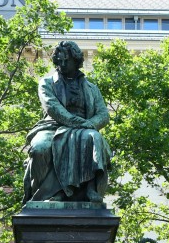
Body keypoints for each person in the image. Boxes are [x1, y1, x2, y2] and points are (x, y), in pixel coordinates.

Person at [23, 39, 113, 204]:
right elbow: (53, 108)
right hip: (53, 126)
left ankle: (90, 189)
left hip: (85, 128)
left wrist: (90, 124)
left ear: (76, 61)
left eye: (67, 60)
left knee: (94, 138)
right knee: (40, 148)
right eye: (59, 60)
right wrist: (77, 123)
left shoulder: (92, 88)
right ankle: (44, 195)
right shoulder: (47, 83)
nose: (62, 64)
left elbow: (103, 114)